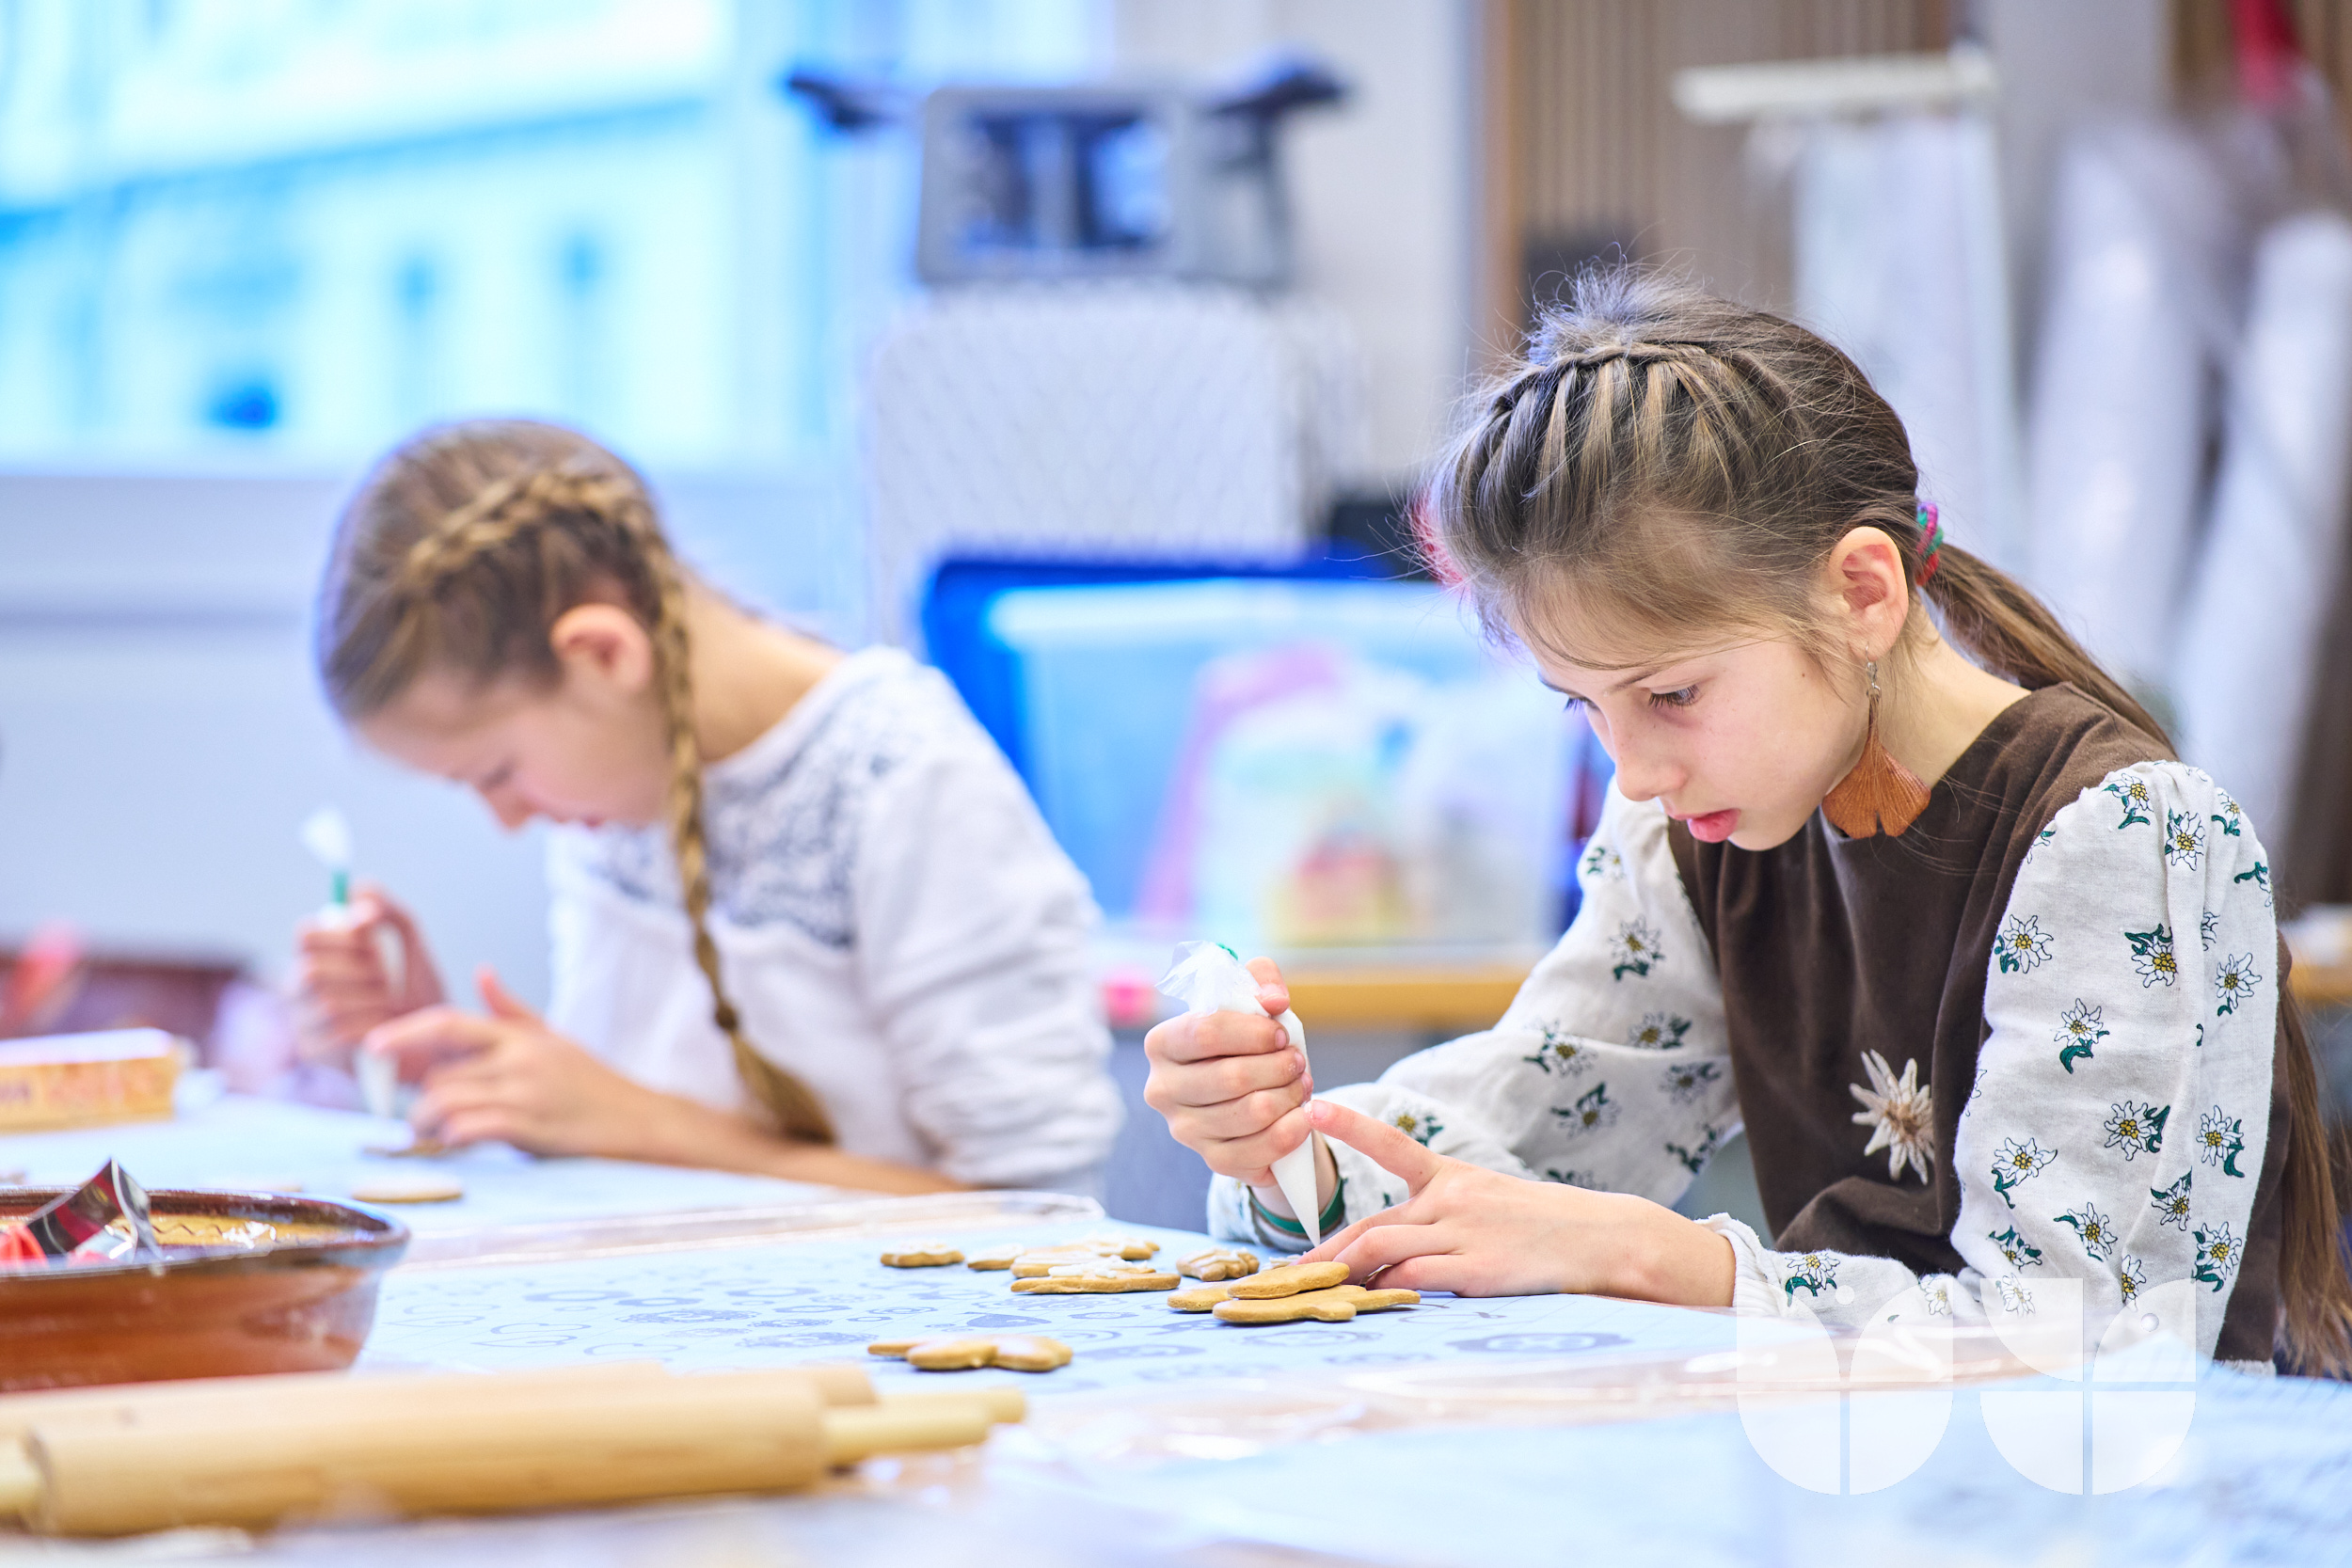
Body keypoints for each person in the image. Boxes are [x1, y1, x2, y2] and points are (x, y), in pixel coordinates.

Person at [1142, 269, 2352, 1372]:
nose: (1633, 772)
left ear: (1863, 591)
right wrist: (1282, 1145)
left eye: (1671, 694)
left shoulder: (2114, 838)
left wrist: (1657, 1255)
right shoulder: (1697, 844)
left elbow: (2077, 1339)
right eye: (1583, 705)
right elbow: (1501, 1143)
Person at [295, 419, 1121, 1196]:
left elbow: (1037, 1212)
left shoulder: (906, 782)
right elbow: (620, 1128)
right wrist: (457, 1072)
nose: (509, 820)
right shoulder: (623, 786)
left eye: (498, 773)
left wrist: (643, 1125)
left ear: (602, 655)